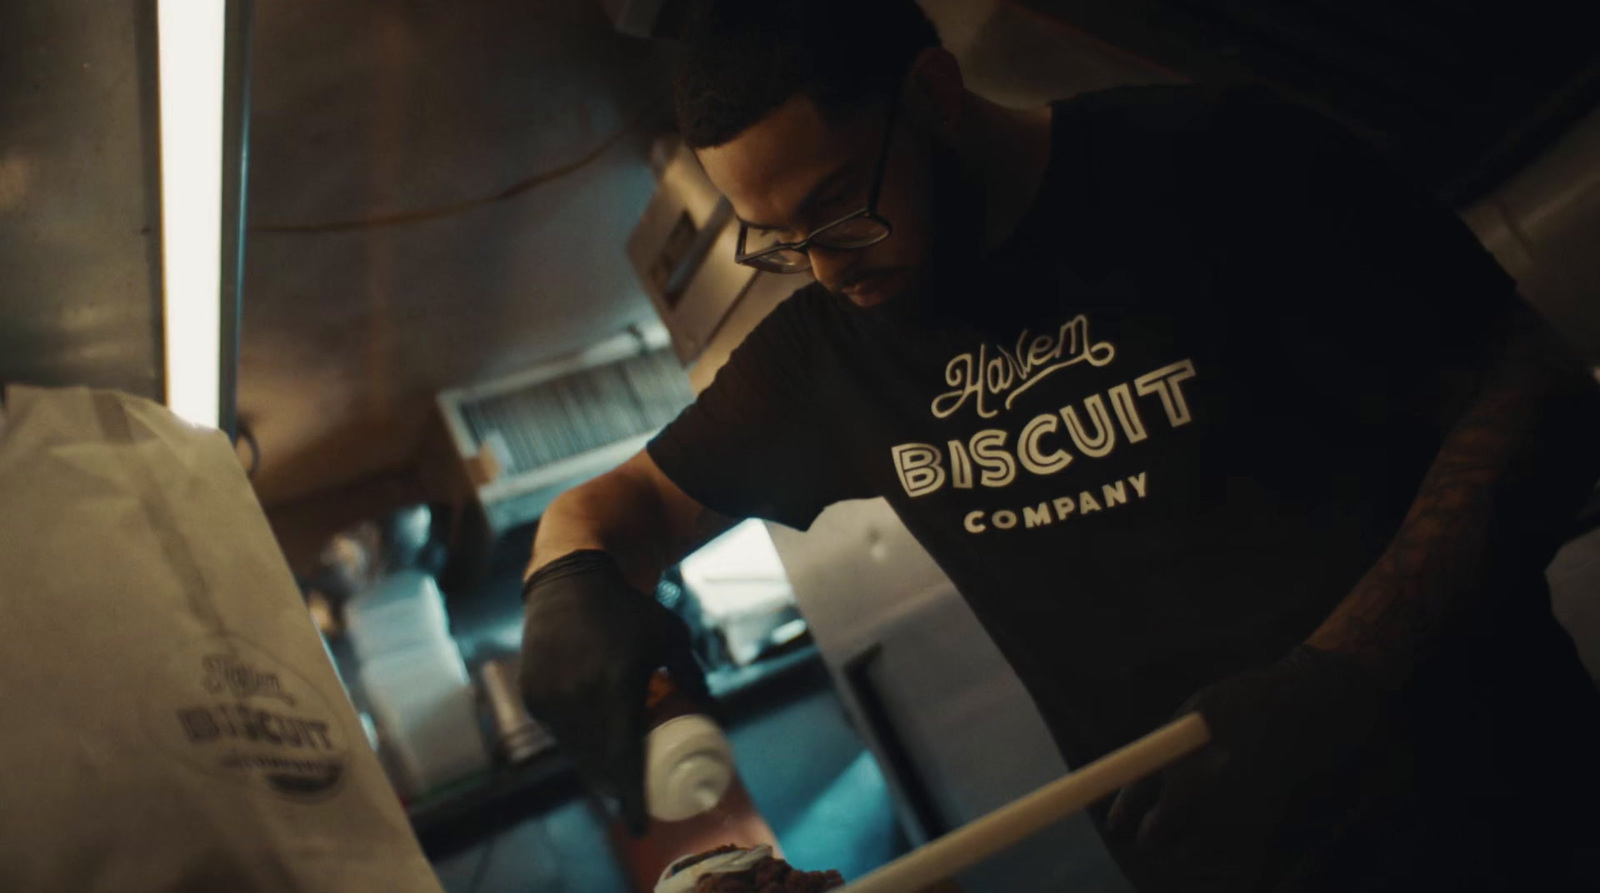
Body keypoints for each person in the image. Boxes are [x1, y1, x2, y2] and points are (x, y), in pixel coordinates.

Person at [519, 1, 1600, 889]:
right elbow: (609, 513)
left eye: (837, 207)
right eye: (783, 242)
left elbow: (1531, 385)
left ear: (935, 96)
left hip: (1511, 806)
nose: (828, 266)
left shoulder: (1215, 162)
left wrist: (1338, 679)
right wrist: (571, 586)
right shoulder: (828, 356)